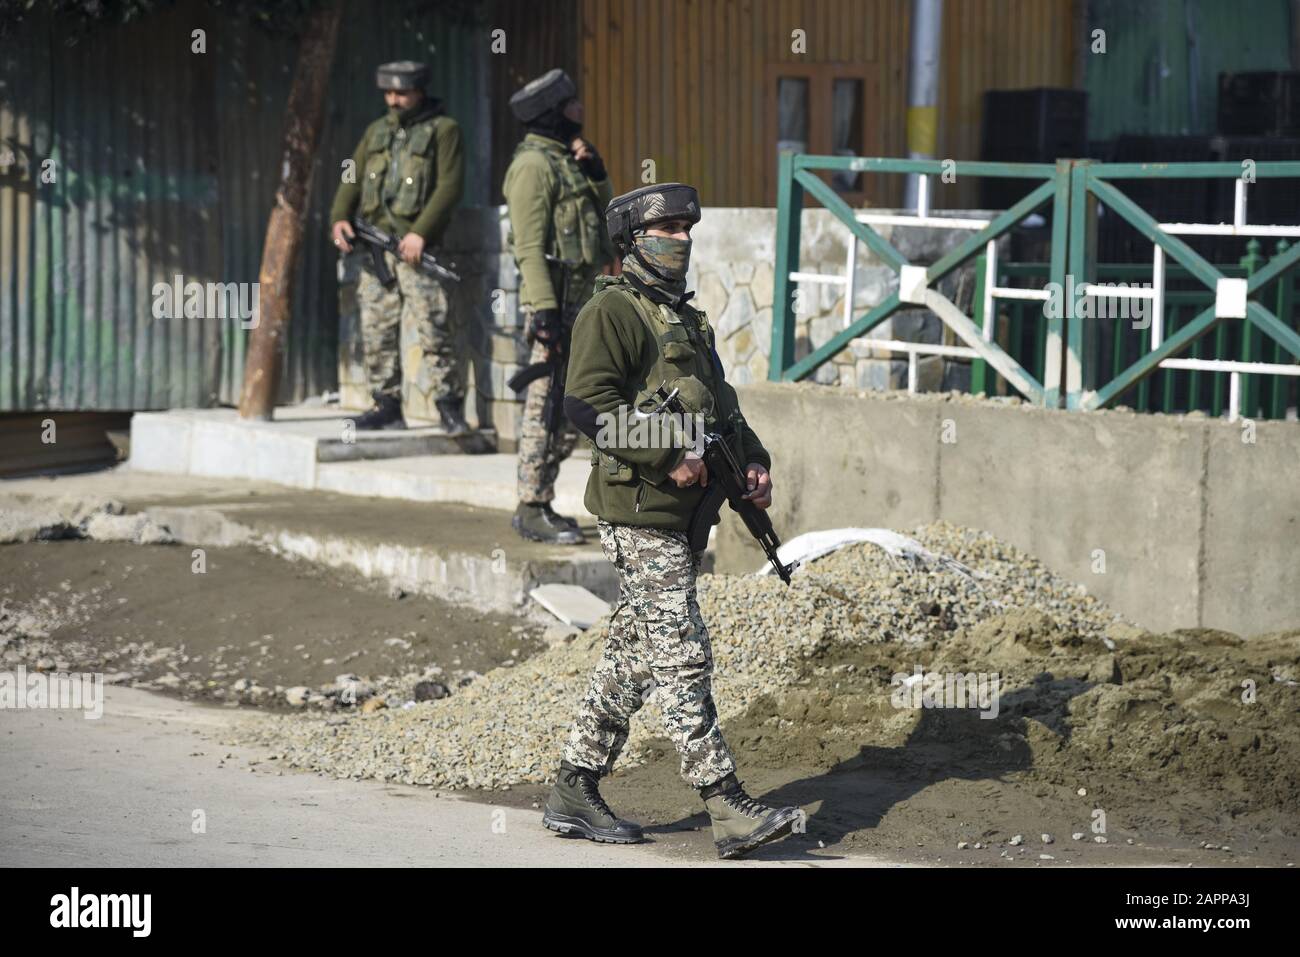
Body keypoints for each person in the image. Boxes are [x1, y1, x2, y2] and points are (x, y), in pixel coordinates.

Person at [540, 183, 802, 860]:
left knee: (634, 656)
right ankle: (726, 803)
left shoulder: (684, 318)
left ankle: (574, 783)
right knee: (682, 651)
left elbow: (724, 411)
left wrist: (753, 463)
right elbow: (585, 406)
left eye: (687, 227)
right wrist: (666, 453)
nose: (682, 238)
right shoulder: (613, 310)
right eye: (668, 228)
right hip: (639, 511)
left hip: (684, 519)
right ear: (633, 240)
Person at [502, 68, 614, 544]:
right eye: (571, 105)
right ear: (553, 113)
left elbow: (607, 225)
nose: (580, 111)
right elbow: (528, 247)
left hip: (582, 307)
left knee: (575, 407)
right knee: (545, 409)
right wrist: (545, 314)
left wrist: (597, 174)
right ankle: (531, 506)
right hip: (556, 309)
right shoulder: (533, 167)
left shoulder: (568, 160)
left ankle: (543, 500)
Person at [328, 60, 467, 434]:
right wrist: (340, 215)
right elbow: (352, 175)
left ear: (419, 91)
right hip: (376, 249)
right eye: (388, 93)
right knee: (376, 329)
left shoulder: (444, 130)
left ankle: (450, 406)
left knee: (433, 327)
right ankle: (386, 405)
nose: (394, 100)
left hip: (417, 249)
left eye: (401, 93)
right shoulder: (377, 132)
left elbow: (449, 186)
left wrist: (421, 232)